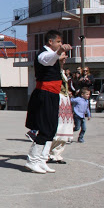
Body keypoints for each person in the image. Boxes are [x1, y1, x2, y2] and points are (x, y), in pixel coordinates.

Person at [24, 30, 72, 174]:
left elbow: (54, 61)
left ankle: (42, 160)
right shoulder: (42, 54)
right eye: (58, 42)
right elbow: (48, 60)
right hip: (44, 94)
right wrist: (59, 53)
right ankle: (32, 160)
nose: (60, 44)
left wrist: (60, 57)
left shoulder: (54, 56)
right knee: (45, 128)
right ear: (50, 42)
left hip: (52, 95)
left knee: (51, 128)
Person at [48, 53, 73, 164]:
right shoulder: (53, 70)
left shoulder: (62, 71)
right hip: (57, 98)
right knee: (56, 128)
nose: (65, 58)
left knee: (65, 128)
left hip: (65, 99)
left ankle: (57, 154)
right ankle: (47, 153)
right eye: (63, 55)